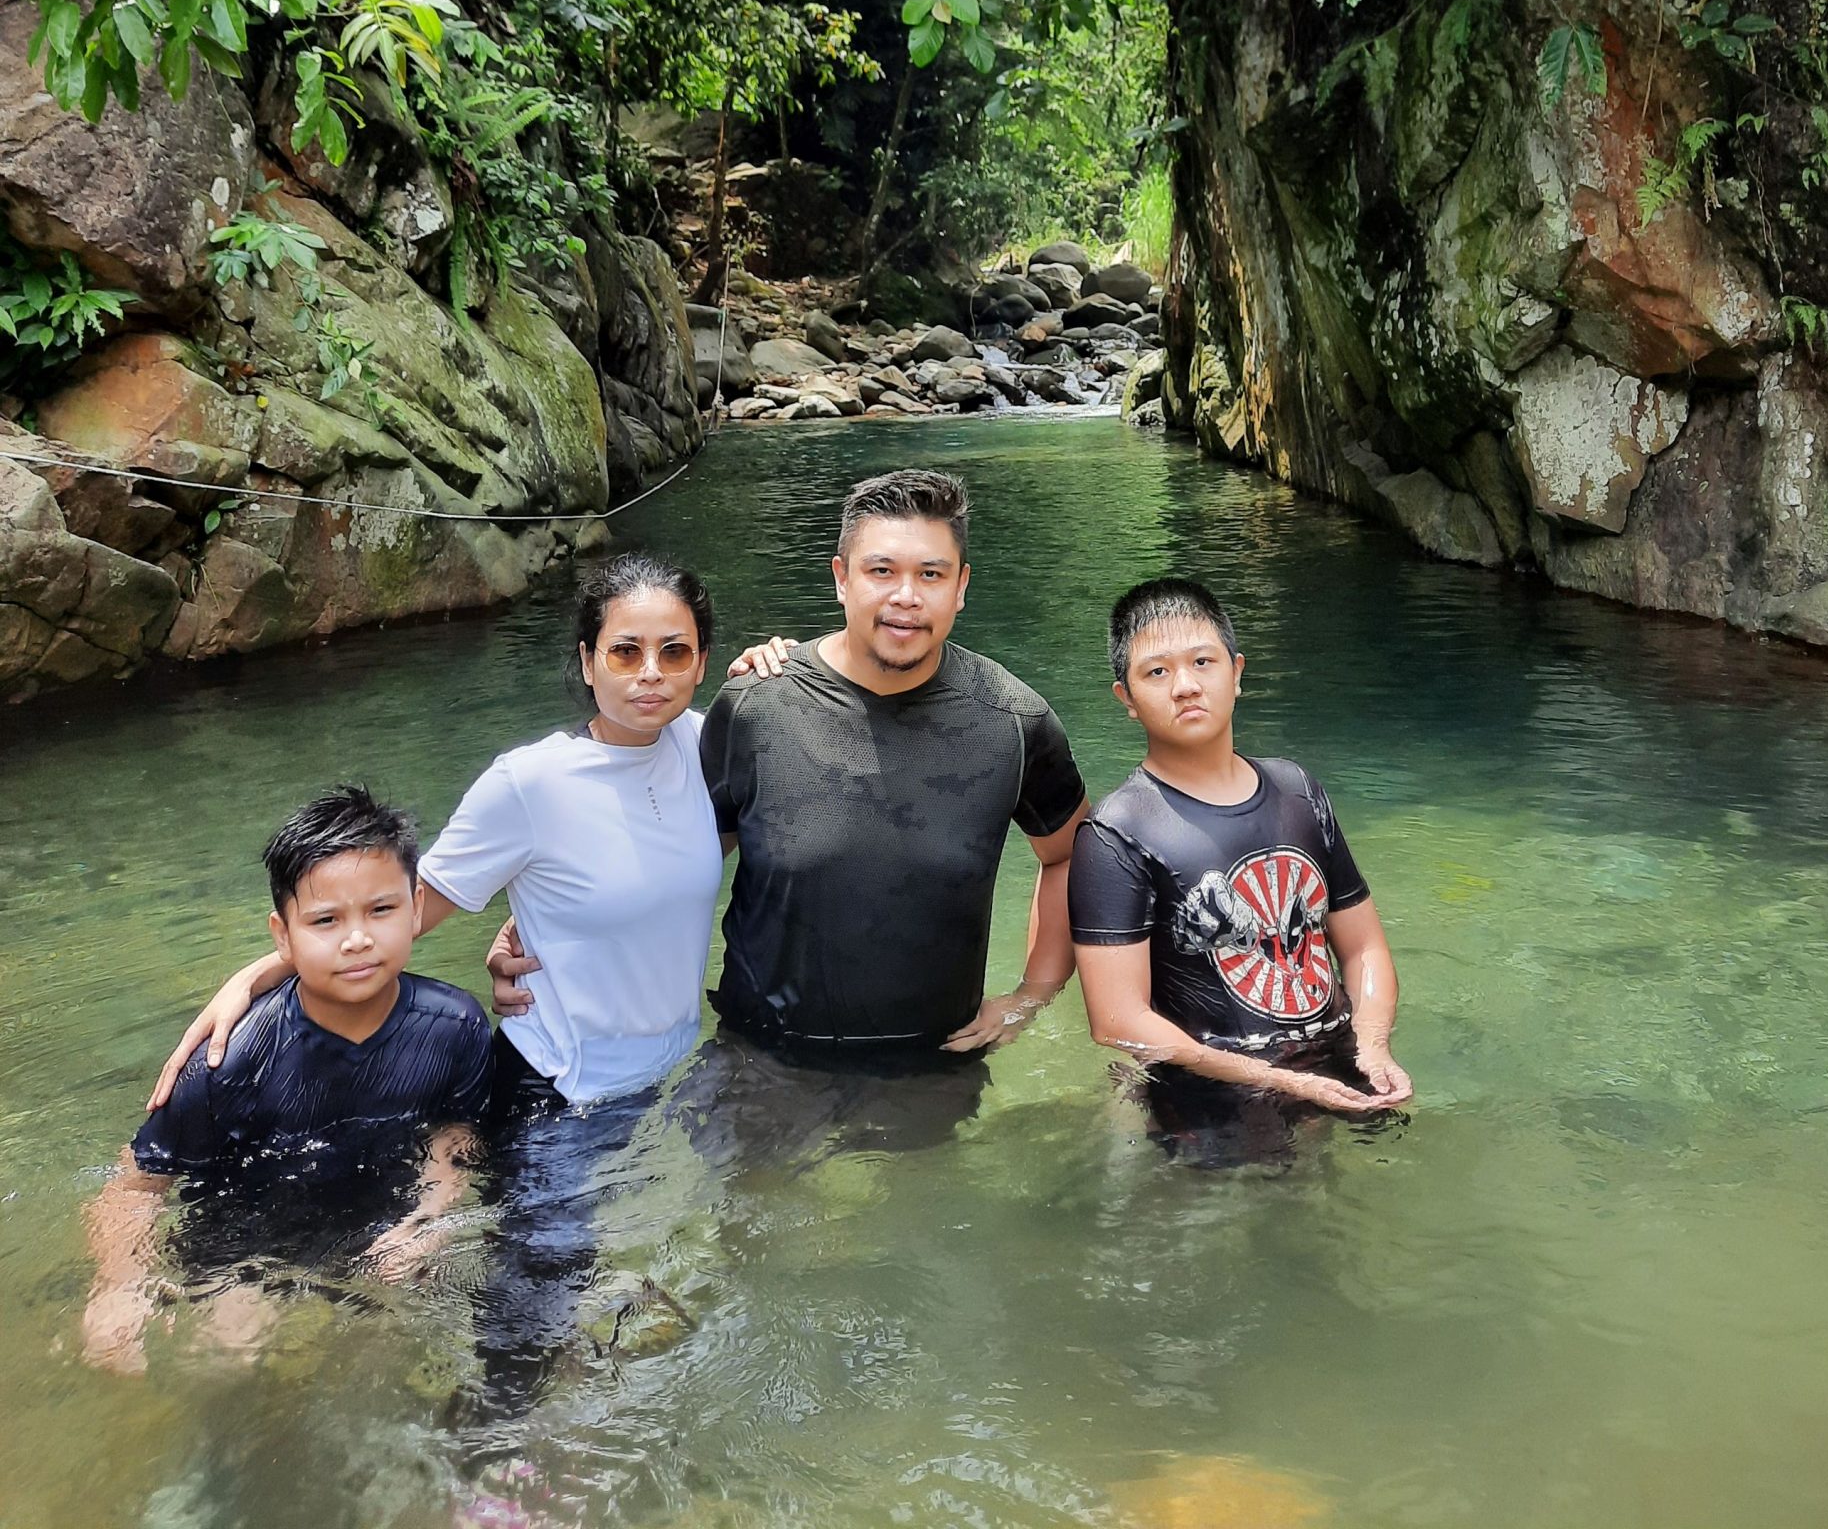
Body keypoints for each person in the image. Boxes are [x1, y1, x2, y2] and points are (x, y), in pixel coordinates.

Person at [141, 555, 728, 1413]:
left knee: (632, 1258)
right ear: (585, 658)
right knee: (538, 1286)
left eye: (673, 653)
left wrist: (778, 659)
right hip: (561, 1087)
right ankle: (487, 1456)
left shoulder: (709, 743)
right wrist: (259, 973)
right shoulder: (529, 783)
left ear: (702, 661)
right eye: (624, 650)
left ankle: (568, 1409)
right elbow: (391, 914)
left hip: (666, 1068)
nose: (649, 675)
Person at [494, 469, 1090, 1095]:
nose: (906, 596)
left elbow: (1071, 854)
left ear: (962, 587)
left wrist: (1032, 995)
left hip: (933, 1059)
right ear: (841, 578)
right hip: (761, 1059)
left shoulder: (1012, 721)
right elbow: (672, 855)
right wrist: (543, 930)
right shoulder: (759, 705)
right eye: (881, 571)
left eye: (932, 574)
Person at [83, 786, 491, 1372]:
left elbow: (454, 1132)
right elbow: (137, 1180)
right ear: (283, 935)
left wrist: (428, 1219)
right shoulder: (231, 1057)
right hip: (245, 1231)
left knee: (385, 1356)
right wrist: (118, 1284)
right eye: (326, 920)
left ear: (416, 905)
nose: (357, 939)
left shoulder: (455, 1026)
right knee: (227, 1355)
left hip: (379, 1212)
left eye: (381, 910)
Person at [1069, 576, 1411, 1154]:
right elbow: (1117, 1019)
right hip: (1206, 1092)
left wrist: (1372, 1045)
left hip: (1336, 1059)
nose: (1184, 686)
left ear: (1236, 671)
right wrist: (1283, 1081)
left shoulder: (1297, 791)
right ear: (1125, 698)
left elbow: (1363, 948)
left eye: (1203, 661)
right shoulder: (1117, 832)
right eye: (1156, 672)